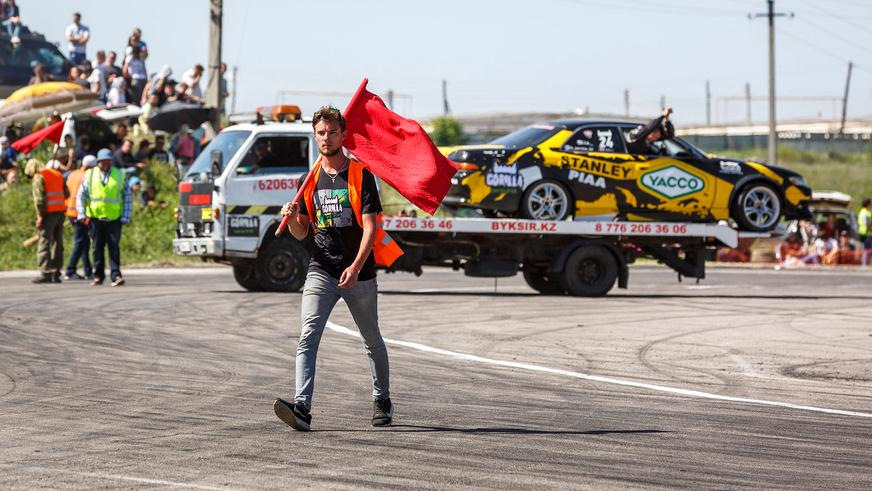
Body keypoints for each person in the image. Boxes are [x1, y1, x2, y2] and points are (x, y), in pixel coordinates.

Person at [273, 106, 401, 431]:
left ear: (343, 135)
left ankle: (382, 399)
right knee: (307, 337)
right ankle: (302, 407)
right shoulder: (309, 180)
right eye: (321, 133)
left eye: (332, 132)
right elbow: (302, 231)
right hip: (322, 267)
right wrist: (290, 219)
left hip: (359, 271)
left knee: (371, 339)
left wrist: (357, 266)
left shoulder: (360, 175)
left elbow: (371, 229)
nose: (326, 138)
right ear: (314, 136)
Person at [77, 148, 131, 286]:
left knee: (114, 247)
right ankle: (98, 276)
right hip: (95, 219)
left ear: (111, 161)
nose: (105, 164)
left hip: (114, 218)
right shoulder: (89, 175)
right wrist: (82, 214)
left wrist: (125, 216)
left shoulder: (119, 175)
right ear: (98, 162)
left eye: (108, 161)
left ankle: (116, 275)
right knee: (97, 248)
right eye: (102, 161)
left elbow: (127, 196)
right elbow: (81, 195)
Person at [32, 159, 69, 283]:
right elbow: (66, 193)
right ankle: (56, 272)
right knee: (57, 243)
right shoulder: (58, 175)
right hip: (60, 213)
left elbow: (39, 200)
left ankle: (45, 272)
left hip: (48, 214)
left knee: (44, 242)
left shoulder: (40, 177)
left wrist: (40, 216)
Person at [64, 154, 96, 280]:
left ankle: (88, 270)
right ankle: (70, 270)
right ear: (89, 167)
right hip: (80, 212)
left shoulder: (73, 174)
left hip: (71, 211)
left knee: (84, 241)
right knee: (80, 241)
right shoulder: (87, 176)